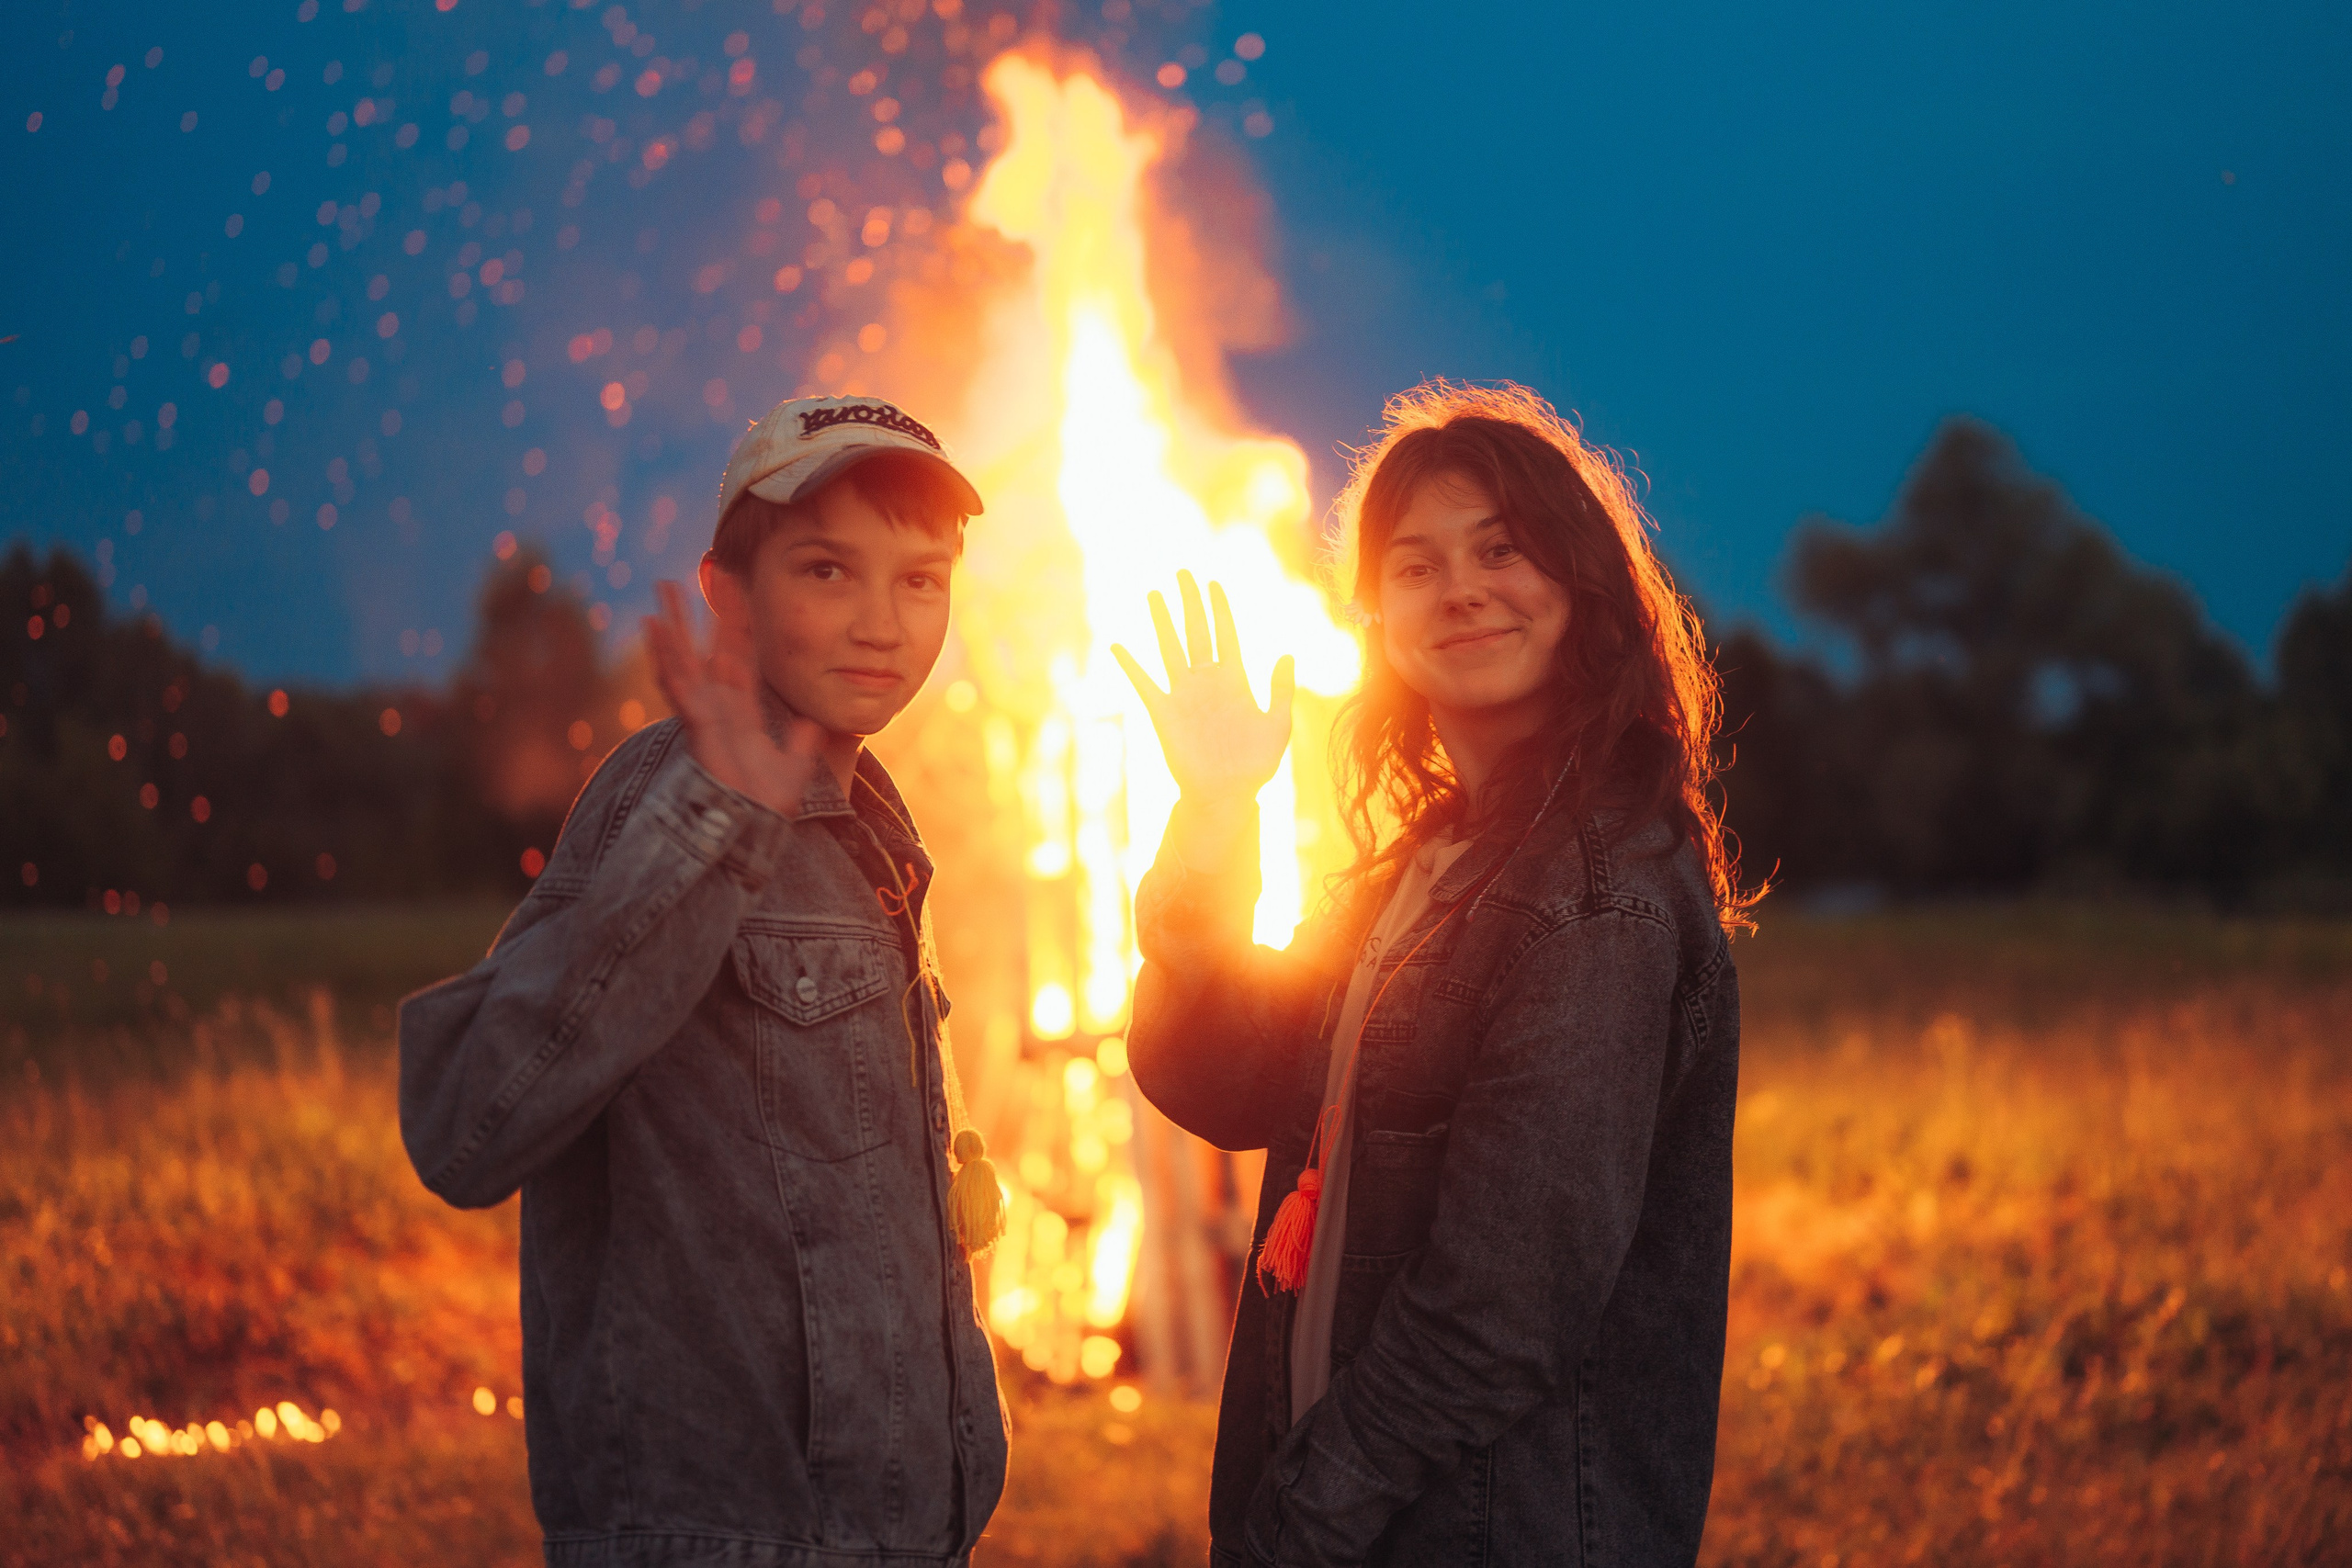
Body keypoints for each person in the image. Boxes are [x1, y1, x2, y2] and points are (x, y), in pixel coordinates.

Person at [1114, 380, 1757, 1567]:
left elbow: (1502, 1313)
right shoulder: (1432, 860)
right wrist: (1212, 808)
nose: (1459, 586)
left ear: (1582, 584)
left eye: (1501, 549)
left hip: (1484, 1523)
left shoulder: (1592, 895)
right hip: (1377, 1504)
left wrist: (1300, 1518)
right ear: (1372, 616)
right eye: (1414, 565)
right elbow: (1220, 1079)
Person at [399, 394, 1010, 1568]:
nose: (883, 624)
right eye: (828, 570)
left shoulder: (866, 820)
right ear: (726, 593)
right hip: (728, 1536)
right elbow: (467, 1125)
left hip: (885, 1535)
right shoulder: (662, 801)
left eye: (921, 580)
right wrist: (707, 824)